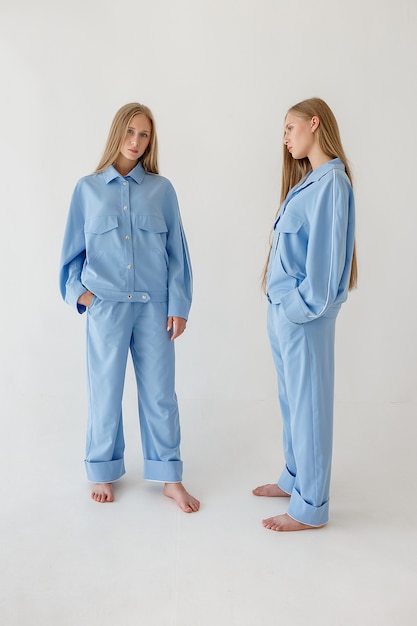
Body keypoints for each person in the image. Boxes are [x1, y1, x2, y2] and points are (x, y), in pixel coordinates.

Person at [59, 102, 199, 512]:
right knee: (105, 391)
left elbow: (178, 255)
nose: (137, 142)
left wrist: (180, 305)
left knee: (160, 395)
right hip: (106, 307)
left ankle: (169, 476)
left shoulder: (162, 189)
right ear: (117, 132)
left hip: (154, 308)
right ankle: (102, 468)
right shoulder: (86, 190)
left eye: (145, 135)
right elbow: (70, 255)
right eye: (131, 132)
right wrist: (81, 295)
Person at [253, 97, 356, 531]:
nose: (285, 139)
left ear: (314, 124)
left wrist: (298, 309)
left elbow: (327, 263)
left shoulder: (333, 183)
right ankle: (294, 478)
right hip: (284, 314)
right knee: (292, 401)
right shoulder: (309, 182)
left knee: (310, 406)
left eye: (289, 129)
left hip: (303, 317)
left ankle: (310, 506)